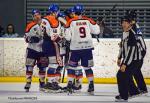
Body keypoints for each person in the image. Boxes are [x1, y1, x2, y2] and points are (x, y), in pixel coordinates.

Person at [64, 4, 100, 94]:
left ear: (74, 12)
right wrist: (95, 26)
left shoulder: (70, 22)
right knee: (87, 67)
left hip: (75, 48)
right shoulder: (88, 20)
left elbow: (67, 37)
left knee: (72, 67)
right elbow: (97, 31)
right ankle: (91, 85)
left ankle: (69, 84)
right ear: (82, 11)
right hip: (87, 48)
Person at [116, 16, 140, 101]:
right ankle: (134, 91)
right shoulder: (124, 33)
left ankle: (123, 96)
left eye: (126, 22)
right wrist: (119, 57)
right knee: (126, 76)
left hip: (133, 60)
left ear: (130, 24)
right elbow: (122, 47)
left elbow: (131, 52)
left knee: (121, 75)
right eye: (123, 22)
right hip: (128, 59)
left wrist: (124, 64)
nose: (124, 24)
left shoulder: (131, 35)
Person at [24, 9, 48, 92]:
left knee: (42, 68)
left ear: (40, 15)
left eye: (38, 14)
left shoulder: (46, 24)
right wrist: (31, 39)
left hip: (43, 50)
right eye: (35, 15)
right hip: (32, 50)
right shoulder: (30, 25)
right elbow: (26, 38)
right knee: (29, 67)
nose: (37, 16)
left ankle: (42, 84)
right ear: (32, 17)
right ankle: (28, 82)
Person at [42, 4, 63, 92]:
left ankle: (51, 82)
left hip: (45, 43)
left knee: (52, 64)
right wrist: (62, 41)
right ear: (55, 11)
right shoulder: (53, 20)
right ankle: (50, 84)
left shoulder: (44, 18)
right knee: (53, 64)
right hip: (51, 44)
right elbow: (54, 37)